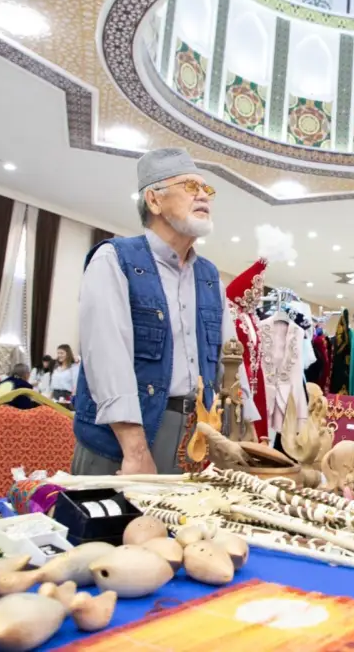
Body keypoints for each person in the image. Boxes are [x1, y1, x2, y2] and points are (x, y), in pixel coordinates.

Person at [72, 147, 255, 476]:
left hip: (194, 438)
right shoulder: (115, 259)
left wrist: (246, 428)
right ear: (154, 200)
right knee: (114, 511)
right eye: (190, 186)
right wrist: (135, 448)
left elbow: (230, 361)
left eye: (206, 188)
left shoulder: (209, 276)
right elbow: (106, 356)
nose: (203, 195)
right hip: (121, 441)